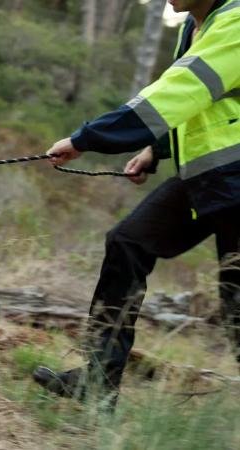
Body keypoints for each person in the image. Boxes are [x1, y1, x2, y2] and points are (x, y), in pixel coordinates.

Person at [33, 0, 240, 407]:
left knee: (237, 307)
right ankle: (98, 382)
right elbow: (201, 104)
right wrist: (155, 149)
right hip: (212, 179)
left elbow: (179, 92)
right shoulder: (194, 27)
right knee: (128, 243)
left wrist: (86, 138)